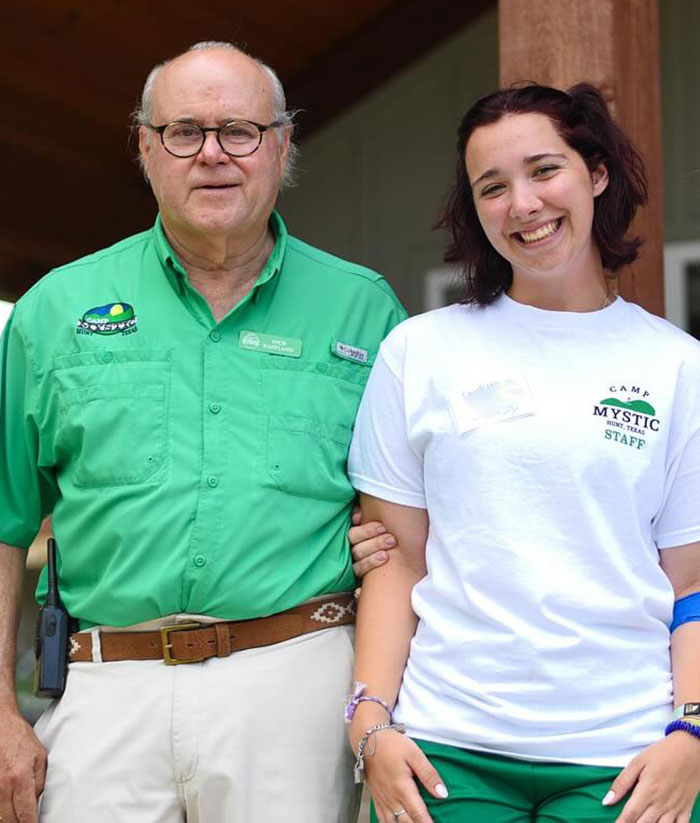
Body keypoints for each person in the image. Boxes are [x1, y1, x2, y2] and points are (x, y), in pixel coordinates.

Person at [0, 41, 405, 823]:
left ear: (283, 144)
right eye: (184, 131)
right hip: (106, 684)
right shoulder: (55, 308)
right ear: (146, 147)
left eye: (240, 131)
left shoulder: (368, 311)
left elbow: (408, 521)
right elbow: (5, 523)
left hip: (295, 681)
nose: (212, 154)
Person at [346, 83, 700, 823]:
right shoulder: (419, 350)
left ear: (596, 174)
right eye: (493, 187)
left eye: (545, 170)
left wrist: (693, 731)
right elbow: (395, 561)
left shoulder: (678, 366)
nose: (524, 203)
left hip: (625, 753)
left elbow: (690, 584)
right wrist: (370, 718)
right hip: (445, 745)